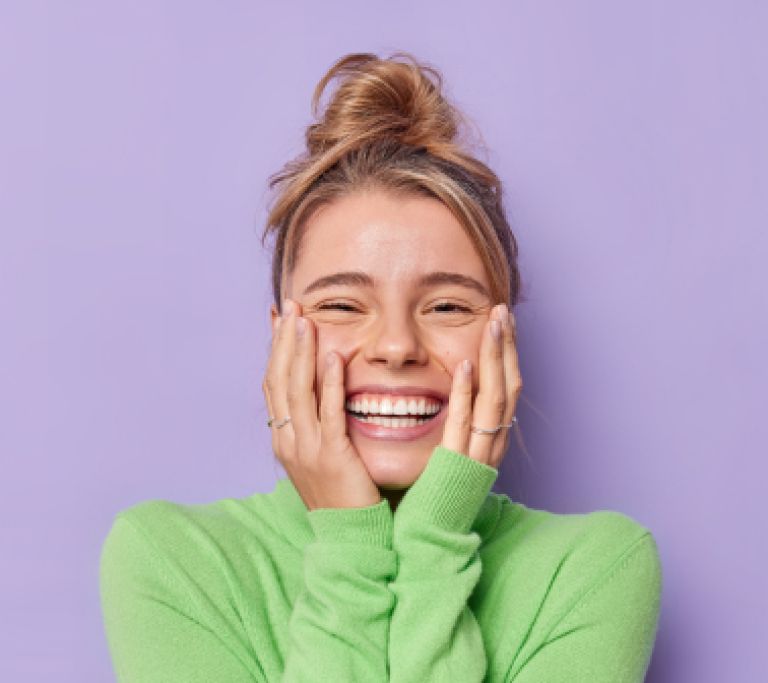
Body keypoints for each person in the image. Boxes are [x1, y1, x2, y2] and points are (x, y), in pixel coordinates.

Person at [100, 52, 662, 682]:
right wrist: (350, 545)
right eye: (342, 304)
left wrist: (435, 539)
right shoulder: (175, 560)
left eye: (448, 305)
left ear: (502, 337)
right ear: (280, 339)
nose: (397, 346)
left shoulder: (591, 570)